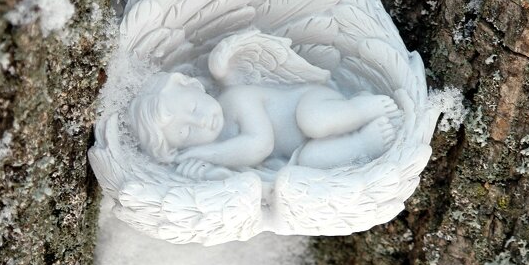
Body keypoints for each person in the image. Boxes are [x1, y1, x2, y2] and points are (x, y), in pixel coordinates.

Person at [128, 71, 401, 175]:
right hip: (301, 148)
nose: (201, 121)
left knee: (314, 122)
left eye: (193, 107)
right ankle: (363, 142)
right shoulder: (224, 150)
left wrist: (205, 153)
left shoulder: (234, 100)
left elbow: (260, 144)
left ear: (194, 86)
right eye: (185, 132)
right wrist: (201, 168)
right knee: (309, 161)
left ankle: (362, 108)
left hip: (309, 104)